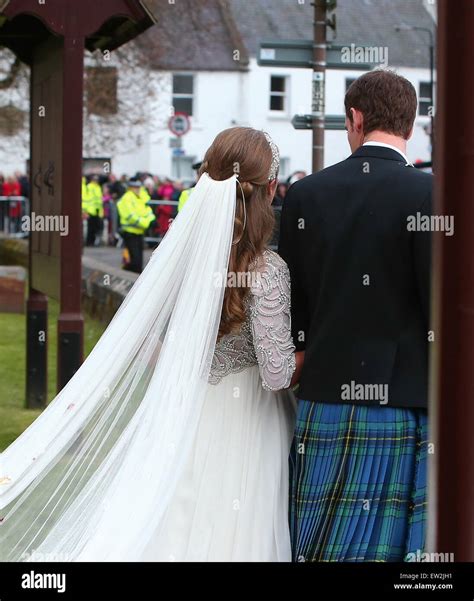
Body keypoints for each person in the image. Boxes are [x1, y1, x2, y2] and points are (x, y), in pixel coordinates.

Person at [0, 127, 303, 562]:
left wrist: (188, 366)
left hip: (186, 409)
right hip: (250, 418)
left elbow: (145, 336)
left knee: (174, 519)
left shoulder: (181, 255)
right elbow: (276, 374)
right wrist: (321, 352)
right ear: (270, 188)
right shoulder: (267, 268)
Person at [279, 69, 433, 562]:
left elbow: (292, 306)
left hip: (324, 397)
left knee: (320, 546)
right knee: (397, 553)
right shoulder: (431, 196)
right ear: (410, 126)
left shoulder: (305, 195)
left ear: (355, 118)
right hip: (405, 403)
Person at [117, 180, 156, 274]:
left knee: (138, 257)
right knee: (135, 257)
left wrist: (152, 219)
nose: (137, 189)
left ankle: (134, 273)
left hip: (139, 231)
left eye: (139, 187)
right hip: (130, 231)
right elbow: (131, 216)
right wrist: (146, 223)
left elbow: (147, 211)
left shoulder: (139, 198)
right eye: (135, 187)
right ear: (130, 188)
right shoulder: (127, 198)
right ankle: (131, 273)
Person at [83, 175, 104, 246]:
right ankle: (89, 242)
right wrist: (85, 211)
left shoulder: (98, 187)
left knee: (96, 228)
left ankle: (93, 242)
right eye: (94, 179)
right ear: (92, 180)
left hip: (97, 211)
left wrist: (101, 212)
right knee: (90, 228)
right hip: (90, 210)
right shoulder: (88, 187)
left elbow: (100, 200)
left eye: (97, 180)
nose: (96, 181)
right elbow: (85, 200)